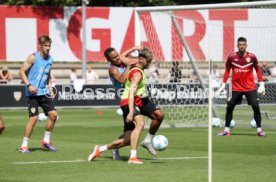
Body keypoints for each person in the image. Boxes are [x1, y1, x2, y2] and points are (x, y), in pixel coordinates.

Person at [88, 47, 155, 164]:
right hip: (127, 99)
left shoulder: (129, 64)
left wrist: (134, 47)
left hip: (134, 99)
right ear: (109, 60)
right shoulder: (113, 69)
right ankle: (133, 156)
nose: (117, 59)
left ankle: (100, 149)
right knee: (141, 123)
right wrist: (129, 66)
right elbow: (122, 81)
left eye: (117, 55)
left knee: (128, 138)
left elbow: (123, 56)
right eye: (113, 58)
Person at [216, 37, 266, 137]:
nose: (242, 46)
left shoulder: (252, 57)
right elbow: (227, 70)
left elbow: (257, 69)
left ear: (246, 45)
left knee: (256, 106)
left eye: (243, 44)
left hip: (250, 88)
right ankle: (226, 130)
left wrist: (262, 83)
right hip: (236, 88)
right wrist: (223, 85)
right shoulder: (231, 57)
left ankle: (259, 130)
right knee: (229, 107)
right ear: (237, 45)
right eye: (240, 44)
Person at [18, 35, 58, 153]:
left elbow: (48, 74)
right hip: (32, 94)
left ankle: (46, 141)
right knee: (34, 118)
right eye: (45, 45)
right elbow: (21, 72)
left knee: (53, 115)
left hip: (44, 92)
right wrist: (29, 85)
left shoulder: (50, 59)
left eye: (49, 45)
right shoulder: (33, 57)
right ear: (40, 46)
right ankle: (23, 146)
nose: (48, 47)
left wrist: (50, 87)